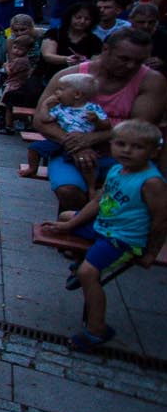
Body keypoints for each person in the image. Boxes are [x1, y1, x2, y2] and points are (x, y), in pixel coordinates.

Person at [42, 121, 167, 352]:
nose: (127, 151)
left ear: (153, 152)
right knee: (65, 217)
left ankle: (96, 329)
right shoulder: (117, 169)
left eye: (137, 147)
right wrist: (70, 224)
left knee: (88, 273)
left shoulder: (151, 182)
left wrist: (150, 253)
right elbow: (100, 200)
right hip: (104, 224)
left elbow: (161, 221)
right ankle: (81, 262)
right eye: (121, 144)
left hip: (122, 238)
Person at [32, 29, 166, 215]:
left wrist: (91, 139)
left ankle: (99, 224)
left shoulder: (151, 81)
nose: (131, 66)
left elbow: (139, 129)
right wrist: (76, 145)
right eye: (124, 59)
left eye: (139, 61)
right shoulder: (70, 77)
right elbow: (41, 120)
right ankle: (79, 222)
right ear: (106, 50)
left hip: (125, 155)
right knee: (68, 190)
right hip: (69, 150)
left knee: (126, 194)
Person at [21, 72, 108, 178]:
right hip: (59, 141)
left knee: (86, 163)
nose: (56, 92)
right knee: (34, 148)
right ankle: (32, 169)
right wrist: (45, 105)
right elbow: (46, 119)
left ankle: (90, 185)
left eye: (61, 89)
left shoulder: (93, 108)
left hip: (83, 143)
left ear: (77, 94)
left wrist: (97, 120)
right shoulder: (60, 108)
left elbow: (106, 125)